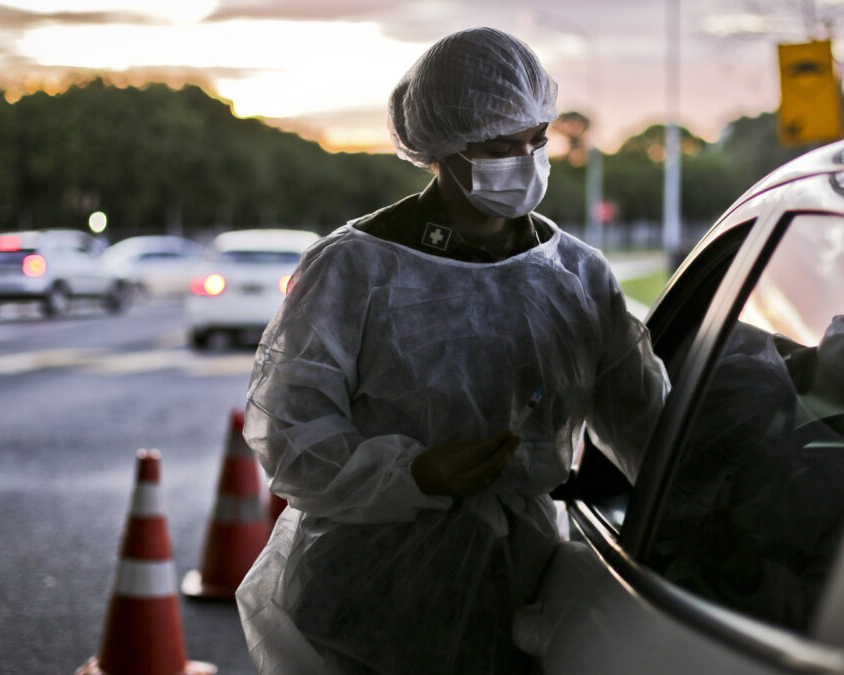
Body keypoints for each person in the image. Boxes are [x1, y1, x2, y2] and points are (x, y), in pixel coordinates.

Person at [236, 27, 669, 675]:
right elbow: (291, 438)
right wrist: (415, 473)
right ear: (440, 145)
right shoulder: (355, 268)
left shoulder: (575, 276)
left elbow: (651, 430)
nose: (524, 162)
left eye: (536, 141)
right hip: (364, 596)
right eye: (499, 147)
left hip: (522, 594)